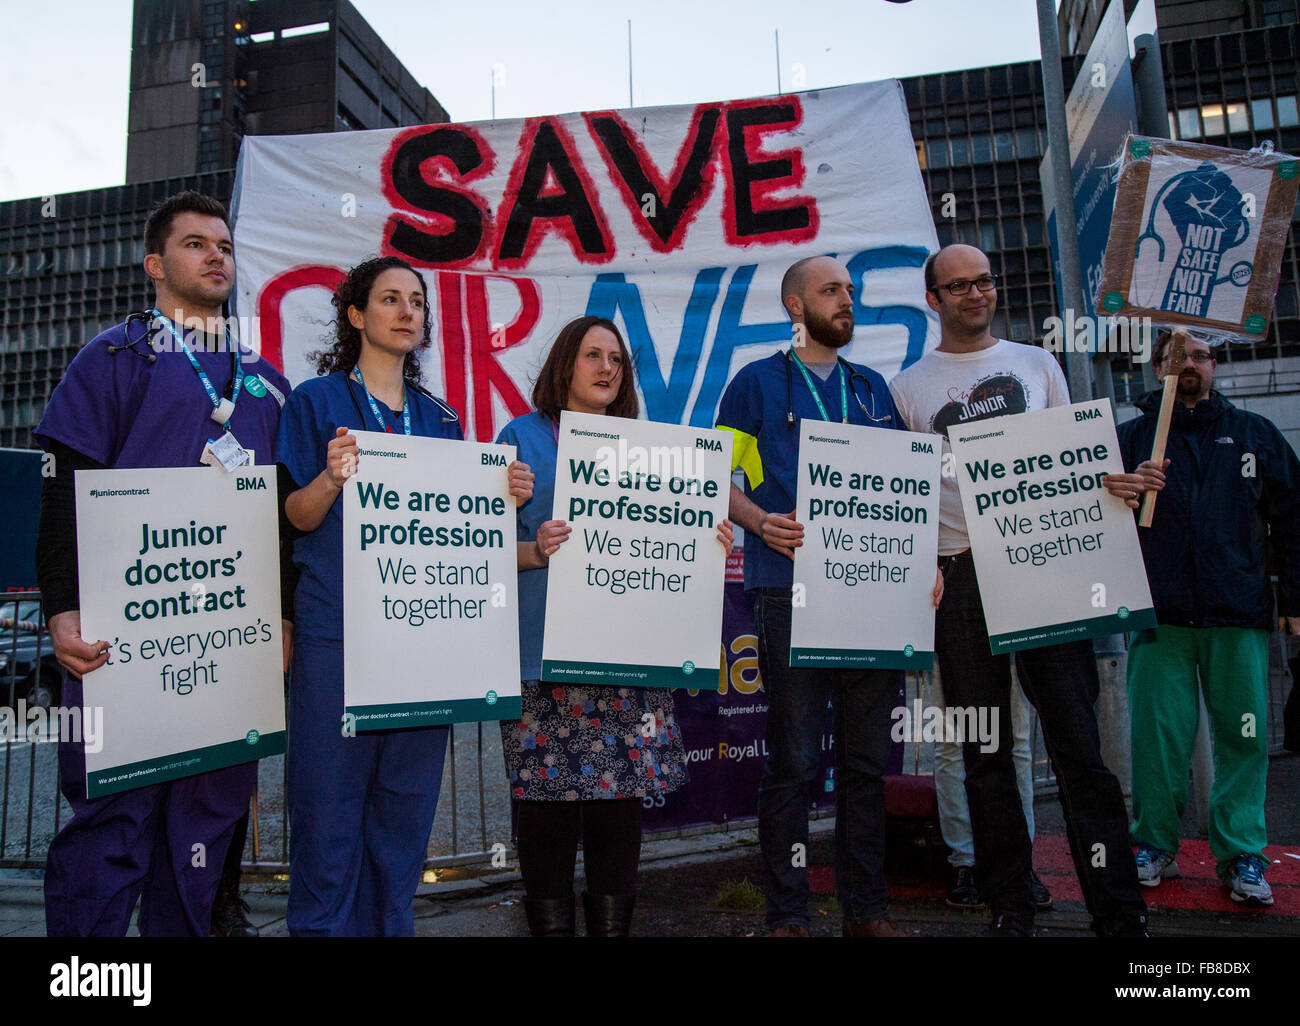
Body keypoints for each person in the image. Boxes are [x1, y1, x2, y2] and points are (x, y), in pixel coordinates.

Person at [35, 191, 293, 936]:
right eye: (195, 244)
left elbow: (275, 522)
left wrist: (278, 616)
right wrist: (61, 607)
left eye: (225, 245)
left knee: (202, 837)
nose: (217, 255)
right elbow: (61, 494)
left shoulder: (265, 381)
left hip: (223, 653)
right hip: (125, 643)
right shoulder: (115, 356)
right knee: (109, 829)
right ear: (155, 264)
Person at [889, 243, 1148, 937]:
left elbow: (1075, 461)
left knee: (1079, 749)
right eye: (960, 285)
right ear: (933, 300)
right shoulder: (907, 387)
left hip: (1042, 570)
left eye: (985, 281)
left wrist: (1114, 486)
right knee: (985, 750)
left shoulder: (1039, 364)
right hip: (964, 574)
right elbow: (908, 495)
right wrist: (924, 567)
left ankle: (1119, 912)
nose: (977, 294)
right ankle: (1010, 906)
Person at [276, 256, 532, 936]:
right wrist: (331, 479)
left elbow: (456, 535)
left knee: (404, 812)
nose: (407, 311)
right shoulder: (314, 402)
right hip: (338, 633)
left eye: (416, 301)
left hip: (424, 641)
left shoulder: (441, 419)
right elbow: (296, 516)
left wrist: (502, 499)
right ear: (357, 315)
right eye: (389, 298)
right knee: (327, 809)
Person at [716, 255, 941, 937]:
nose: (848, 299)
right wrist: (759, 521)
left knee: (868, 764)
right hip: (789, 595)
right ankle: (788, 911)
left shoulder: (873, 388)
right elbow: (715, 476)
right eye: (832, 290)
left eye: (850, 289)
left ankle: (865, 910)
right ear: (794, 305)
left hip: (875, 602)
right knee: (794, 763)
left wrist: (922, 562)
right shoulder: (754, 384)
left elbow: (904, 490)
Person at [498, 315, 732, 937]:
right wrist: (519, 523)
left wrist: (706, 539)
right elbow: (482, 545)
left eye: (616, 359)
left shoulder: (651, 447)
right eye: (592, 355)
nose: (606, 368)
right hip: (542, 657)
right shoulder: (518, 438)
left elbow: (675, 539)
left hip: (629, 657)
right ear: (564, 365)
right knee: (544, 811)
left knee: (616, 808)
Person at [1103, 330, 1300, 907]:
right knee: (1159, 737)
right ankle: (1153, 845)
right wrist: (1121, 489)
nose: (1188, 365)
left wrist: (1294, 600)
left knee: (1244, 737)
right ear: (1156, 368)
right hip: (1158, 615)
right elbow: (1091, 516)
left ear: (1214, 365)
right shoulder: (1130, 438)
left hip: (1236, 614)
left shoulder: (1256, 435)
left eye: (1198, 356)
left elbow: (1293, 520)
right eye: (1174, 357)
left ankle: (1242, 853)